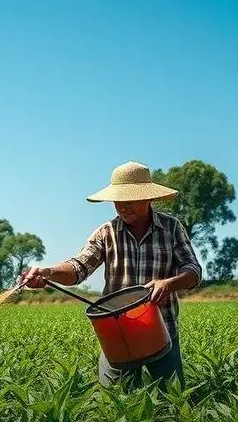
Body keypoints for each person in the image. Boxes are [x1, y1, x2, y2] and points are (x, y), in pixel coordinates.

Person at [19, 161, 202, 389]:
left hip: (163, 329)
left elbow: (193, 271)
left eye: (130, 200)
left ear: (148, 198)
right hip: (118, 333)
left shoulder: (172, 228)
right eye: (118, 201)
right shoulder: (106, 233)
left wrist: (168, 283)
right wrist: (48, 272)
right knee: (115, 403)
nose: (123, 207)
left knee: (173, 400)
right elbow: (78, 268)